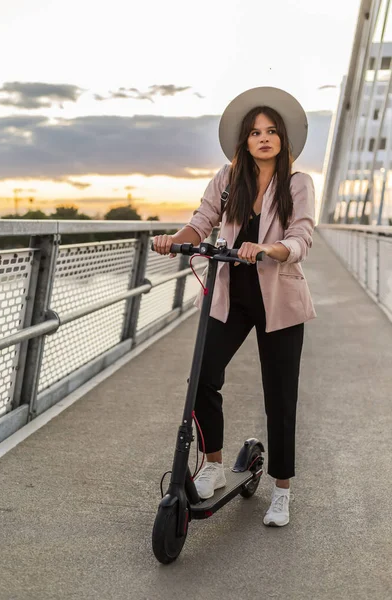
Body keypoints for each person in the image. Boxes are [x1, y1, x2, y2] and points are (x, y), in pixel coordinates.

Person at [152, 87, 316, 527]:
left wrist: (269, 249)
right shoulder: (227, 180)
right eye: (255, 132)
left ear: (283, 139)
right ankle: (214, 465)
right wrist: (175, 241)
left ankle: (282, 490)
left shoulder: (298, 184)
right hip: (232, 297)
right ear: (244, 141)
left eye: (272, 131)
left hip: (280, 299)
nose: (264, 138)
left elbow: (302, 235)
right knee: (202, 376)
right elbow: (201, 220)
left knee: (280, 394)